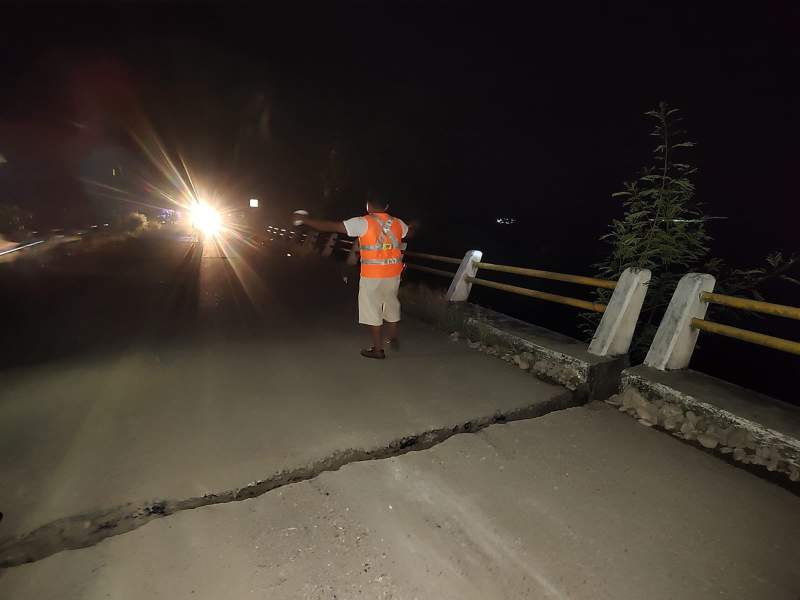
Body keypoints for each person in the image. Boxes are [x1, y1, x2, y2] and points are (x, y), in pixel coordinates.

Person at [293, 194, 411, 360]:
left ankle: (378, 350)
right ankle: (392, 336)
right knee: (391, 303)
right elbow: (408, 232)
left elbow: (331, 226)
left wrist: (305, 221)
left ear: (368, 206)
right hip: (393, 273)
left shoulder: (363, 222)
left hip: (372, 275)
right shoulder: (399, 223)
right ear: (387, 206)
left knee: (372, 310)